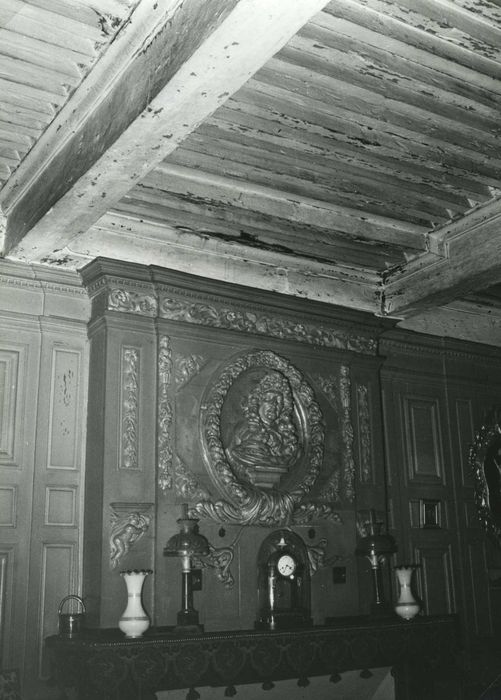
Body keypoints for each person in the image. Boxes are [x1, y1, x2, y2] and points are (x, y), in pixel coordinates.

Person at [225, 371, 299, 489]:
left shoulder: (286, 440)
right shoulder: (243, 431)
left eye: (279, 401)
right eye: (269, 399)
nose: (274, 405)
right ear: (258, 402)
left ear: (283, 408)